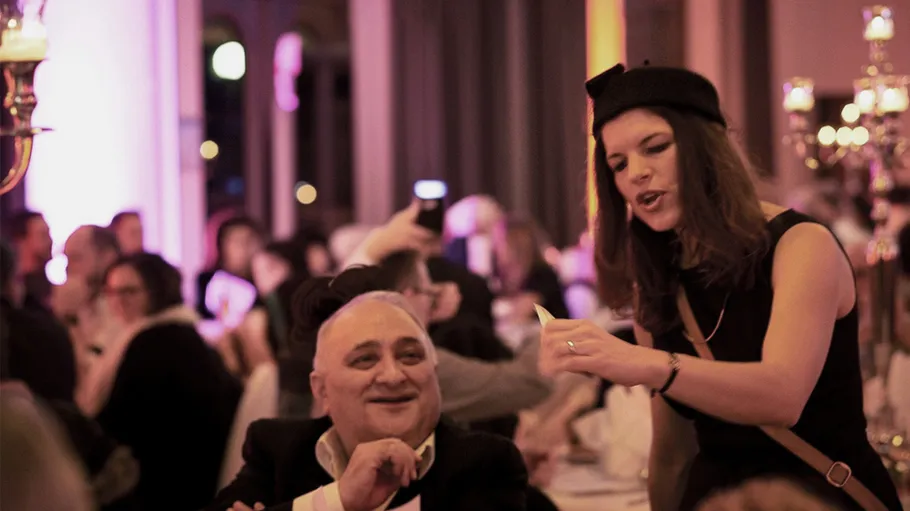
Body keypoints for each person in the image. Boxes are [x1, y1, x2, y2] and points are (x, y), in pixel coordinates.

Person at [537, 63, 902, 511]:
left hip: (819, 496)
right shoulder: (655, 278)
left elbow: (781, 395)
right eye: (619, 164)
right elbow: (672, 453)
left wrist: (641, 361)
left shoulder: (801, 244)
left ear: (705, 149)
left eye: (655, 148)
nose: (636, 173)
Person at [207, 290, 529, 511]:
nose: (392, 375)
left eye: (410, 356)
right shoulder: (277, 451)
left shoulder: (486, 463)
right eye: (364, 360)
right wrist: (339, 500)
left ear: (435, 374)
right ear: (322, 392)